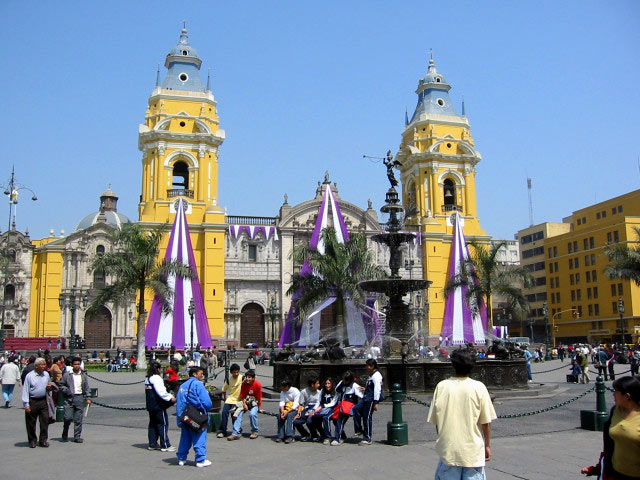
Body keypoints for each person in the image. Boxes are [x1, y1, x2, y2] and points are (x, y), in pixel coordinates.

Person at [427, 348, 497, 480]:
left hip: (449, 450)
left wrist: (443, 440)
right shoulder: (479, 387)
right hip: (473, 451)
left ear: (453, 365)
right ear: (472, 366)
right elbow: (485, 423)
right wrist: (487, 445)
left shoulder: (442, 386)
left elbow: (437, 422)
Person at [581, 376, 640, 479]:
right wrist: (598, 468)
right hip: (615, 473)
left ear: (627, 396)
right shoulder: (615, 411)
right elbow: (610, 445)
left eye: (616, 391)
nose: (613, 394)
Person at [176, 366, 212, 468]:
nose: (202, 375)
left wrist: (179, 419)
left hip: (185, 416)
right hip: (197, 416)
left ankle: (181, 458)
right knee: (199, 436)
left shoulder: (182, 386)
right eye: (200, 373)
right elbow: (207, 402)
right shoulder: (198, 384)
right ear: (194, 374)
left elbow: (180, 404)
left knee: (185, 438)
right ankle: (200, 459)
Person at [22, 357, 55, 448]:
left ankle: (43, 440)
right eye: (42, 364)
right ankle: (32, 440)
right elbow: (25, 390)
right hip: (33, 401)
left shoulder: (46, 375)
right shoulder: (29, 376)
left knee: (44, 421)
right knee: (31, 422)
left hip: (43, 400)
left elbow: (49, 385)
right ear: (36, 366)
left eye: (45, 364)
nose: (44, 366)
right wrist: (26, 404)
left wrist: (49, 387)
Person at [145, 361, 176, 451]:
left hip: (150, 404)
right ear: (158, 369)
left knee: (153, 424)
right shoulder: (156, 378)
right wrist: (170, 397)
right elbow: (161, 392)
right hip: (158, 405)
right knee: (163, 423)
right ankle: (165, 444)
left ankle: (152, 443)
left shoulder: (148, 378)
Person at [59, 357, 91, 443]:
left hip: (79, 397)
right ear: (72, 365)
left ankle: (77, 436)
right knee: (68, 417)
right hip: (69, 398)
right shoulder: (67, 375)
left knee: (78, 419)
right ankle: (65, 431)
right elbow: (61, 385)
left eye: (78, 364)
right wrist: (67, 391)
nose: (77, 366)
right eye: (75, 364)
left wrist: (88, 397)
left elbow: (87, 387)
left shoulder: (83, 375)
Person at [352, 358, 383, 446]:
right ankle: (359, 430)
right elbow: (372, 387)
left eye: (367, 366)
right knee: (356, 409)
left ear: (372, 366)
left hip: (371, 400)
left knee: (367, 417)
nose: (366, 367)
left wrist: (376, 402)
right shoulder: (371, 375)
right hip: (366, 398)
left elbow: (377, 389)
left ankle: (367, 438)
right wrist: (365, 389)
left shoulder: (377, 375)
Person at [228, 370, 263, 441]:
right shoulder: (244, 384)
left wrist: (258, 408)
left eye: (249, 377)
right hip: (245, 402)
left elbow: (259, 398)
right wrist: (244, 404)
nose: (247, 379)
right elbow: (242, 395)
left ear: (253, 378)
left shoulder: (257, 384)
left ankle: (255, 431)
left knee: (252, 414)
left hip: (254, 403)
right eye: (246, 377)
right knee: (238, 413)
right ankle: (235, 433)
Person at [331, 370, 363, 446]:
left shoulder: (355, 386)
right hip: (341, 406)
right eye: (343, 379)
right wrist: (342, 384)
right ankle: (342, 436)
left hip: (349, 407)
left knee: (340, 420)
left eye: (346, 380)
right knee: (335, 420)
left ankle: (337, 438)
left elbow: (361, 396)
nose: (344, 381)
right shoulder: (342, 383)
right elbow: (337, 390)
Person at [217, 363, 243, 438]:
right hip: (230, 399)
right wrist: (224, 398)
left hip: (238, 400)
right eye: (234, 372)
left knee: (235, 416)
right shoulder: (229, 379)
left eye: (237, 372)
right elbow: (224, 389)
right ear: (231, 372)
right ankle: (222, 431)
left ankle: (237, 430)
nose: (236, 374)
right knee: (224, 413)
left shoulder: (242, 378)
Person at [293, 376, 322, 441]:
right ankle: (305, 434)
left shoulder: (320, 392)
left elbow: (320, 404)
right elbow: (301, 404)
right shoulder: (304, 392)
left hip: (315, 409)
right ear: (312, 385)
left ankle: (314, 435)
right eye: (317, 383)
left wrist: (314, 411)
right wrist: (298, 414)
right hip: (306, 409)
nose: (319, 385)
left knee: (309, 421)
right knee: (296, 422)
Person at [275, 378, 300, 444]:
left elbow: (296, 404)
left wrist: (287, 412)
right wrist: (283, 411)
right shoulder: (282, 392)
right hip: (285, 408)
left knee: (290, 416)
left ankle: (290, 435)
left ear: (287, 386)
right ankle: (281, 435)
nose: (281, 388)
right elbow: (282, 402)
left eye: (282, 387)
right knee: (279, 416)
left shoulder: (295, 391)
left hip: (294, 409)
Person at [314, 377, 339, 444]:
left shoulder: (336, 391)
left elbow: (333, 403)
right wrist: (315, 409)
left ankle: (328, 437)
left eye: (329, 383)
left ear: (332, 384)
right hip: (323, 409)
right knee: (314, 417)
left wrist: (323, 406)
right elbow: (318, 401)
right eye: (326, 383)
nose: (327, 385)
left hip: (333, 409)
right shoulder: (322, 391)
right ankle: (323, 434)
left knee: (326, 418)